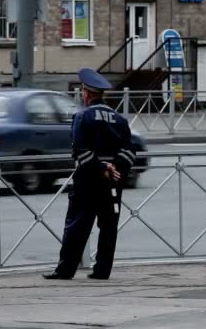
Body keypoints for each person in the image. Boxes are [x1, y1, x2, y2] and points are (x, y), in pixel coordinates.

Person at [43, 68, 136, 280]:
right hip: (113, 183)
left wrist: (101, 168)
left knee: (77, 224)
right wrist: (115, 167)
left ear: (86, 93)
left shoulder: (82, 116)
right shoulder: (119, 120)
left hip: (88, 181)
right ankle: (102, 270)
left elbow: (79, 151)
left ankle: (66, 270)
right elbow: (130, 151)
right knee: (109, 225)